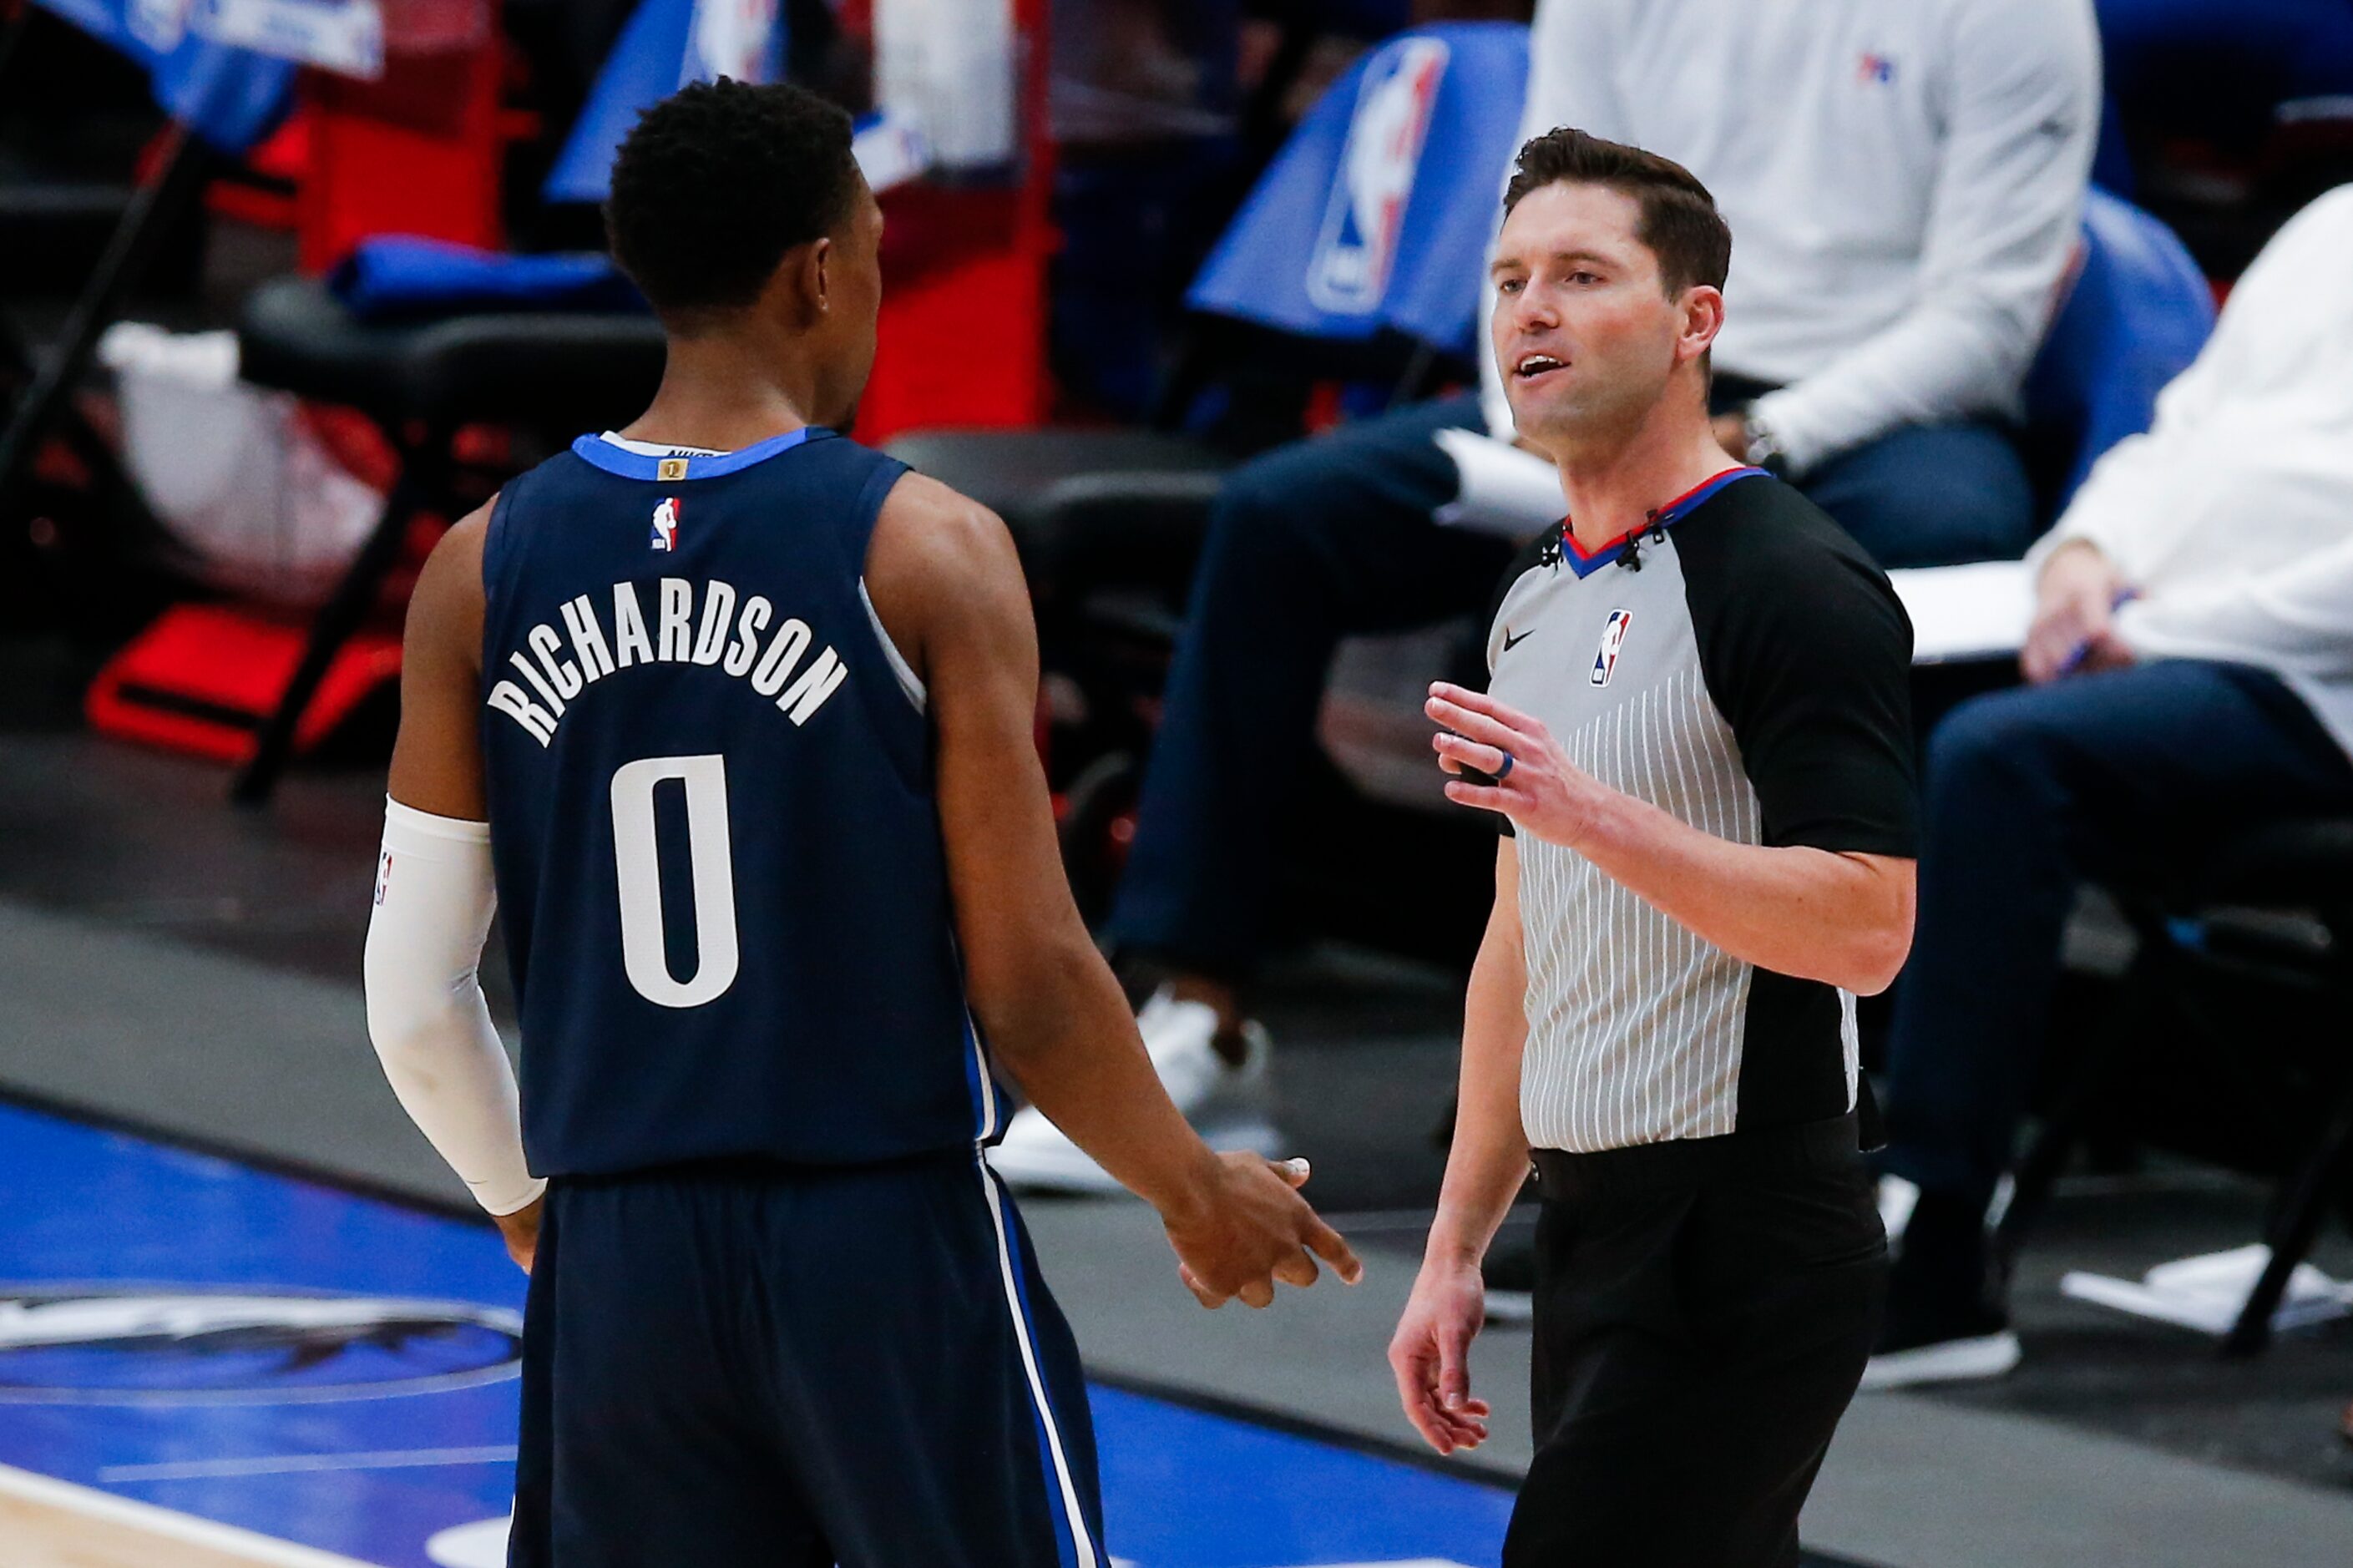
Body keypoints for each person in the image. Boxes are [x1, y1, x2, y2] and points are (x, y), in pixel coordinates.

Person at [359, 79, 1359, 1566]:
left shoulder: (476, 566)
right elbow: (1025, 974)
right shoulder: (926, 548)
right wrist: (1189, 1185)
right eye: (875, 251)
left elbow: (414, 998)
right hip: (881, 1241)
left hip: (621, 1255)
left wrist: (529, 1208)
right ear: (818, 272)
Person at [990, 0, 2095, 1192]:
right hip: (1620, 367)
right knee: (1280, 521)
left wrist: (1751, 435)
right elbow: (1534, 224)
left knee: (1938, 560)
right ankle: (1194, 1022)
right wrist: (1533, 398)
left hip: (1869, 414)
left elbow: (1982, 323)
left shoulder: (2016, 16)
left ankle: (1844, 1113)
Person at [1387, 128, 1918, 1566]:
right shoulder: (1528, 602)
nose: (1529, 312)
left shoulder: (1792, 580)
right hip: (1589, 1224)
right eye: (1507, 280)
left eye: (1579, 274)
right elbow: (1524, 927)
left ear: (1696, 320)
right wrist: (1451, 1249)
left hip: (1744, 1228)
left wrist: (1589, 813)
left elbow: (1869, 925)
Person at [1867, 183, 2353, 1388]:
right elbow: (2179, 431)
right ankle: (1760, 1176)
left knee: (2001, 758)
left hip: (2309, 681)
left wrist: (2173, 624)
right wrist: (2080, 556)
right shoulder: (2330, 222)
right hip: (2166, 636)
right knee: (1854, 677)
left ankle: (1930, 1244)